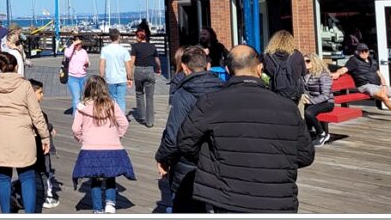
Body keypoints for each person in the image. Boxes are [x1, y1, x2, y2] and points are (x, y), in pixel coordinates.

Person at [177, 45, 315, 213]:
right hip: (277, 198)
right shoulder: (287, 107)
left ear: (227, 70)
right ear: (260, 68)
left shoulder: (211, 102)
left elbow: (185, 142)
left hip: (227, 197)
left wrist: (214, 160)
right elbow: (305, 154)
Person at [155, 46, 224, 213]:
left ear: (185, 67)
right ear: (207, 65)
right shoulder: (224, 89)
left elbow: (173, 135)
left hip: (187, 162)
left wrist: (162, 158)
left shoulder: (183, 94)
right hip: (218, 160)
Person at [0, 53, 50, 214]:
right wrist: (45, 136)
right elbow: (36, 113)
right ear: (17, 67)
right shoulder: (25, 85)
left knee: (3, 178)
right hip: (22, 135)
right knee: (27, 177)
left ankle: (6, 213)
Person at [71, 75, 134, 214]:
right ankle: (110, 203)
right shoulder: (112, 104)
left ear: (87, 88)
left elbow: (75, 128)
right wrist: (118, 136)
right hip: (112, 147)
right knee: (111, 174)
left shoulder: (82, 106)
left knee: (95, 178)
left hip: (90, 148)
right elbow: (124, 123)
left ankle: (97, 209)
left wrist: (82, 139)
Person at [333, 43, 391, 123]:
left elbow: (379, 74)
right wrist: (337, 73)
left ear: (368, 52)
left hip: (379, 85)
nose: (364, 53)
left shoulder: (372, 61)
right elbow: (343, 69)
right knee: (383, 96)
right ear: (357, 52)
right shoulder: (353, 61)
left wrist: (384, 85)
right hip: (366, 85)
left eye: (366, 51)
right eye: (361, 51)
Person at [28, 79, 59, 209]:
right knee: (45, 172)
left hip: (29, 147)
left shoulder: (25, 110)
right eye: (40, 92)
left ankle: (31, 195)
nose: (43, 95)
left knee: (31, 173)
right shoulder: (39, 113)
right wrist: (50, 128)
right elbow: (42, 126)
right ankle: (48, 196)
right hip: (41, 148)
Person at [262, 30, 307, 104]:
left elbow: (264, 75)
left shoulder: (268, 56)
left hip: (275, 93)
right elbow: (303, 73)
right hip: (294, 95)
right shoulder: (297, 55)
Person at [131, 25, 160, 127]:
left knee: (139, 93)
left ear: (138, 37)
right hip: (149, 70)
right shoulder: (152, 46)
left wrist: (129, 75)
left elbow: (132, 62)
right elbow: (157, 60)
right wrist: (159, 68)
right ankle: (150, 121)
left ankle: (142, 116)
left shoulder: (135, 46)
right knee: (149, 97)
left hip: (138, 70)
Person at [303, 53, 334, 146]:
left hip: (326, 103)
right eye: (303, 61)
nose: (305, 63)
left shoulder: (323, 75)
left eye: (308, 61)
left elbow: (325, 95)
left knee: (308, 112)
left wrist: (310, 101)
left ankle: (322, 134)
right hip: (312, 101)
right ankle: (308, 133)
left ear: (315, 62)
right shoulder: (304, 75)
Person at [98, 28, 132, 113]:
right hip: (122, 78)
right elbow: (128, 66)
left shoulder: (105, 49)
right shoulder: (124, 50)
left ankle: (113, 118)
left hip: (110, 78)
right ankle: (122, 119)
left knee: (112, 99)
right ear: (119, 37)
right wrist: (130, 77)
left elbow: (102, 64)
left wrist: (101, 76)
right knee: (121, 100)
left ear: (110, 37)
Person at [64, 35, 90, 113]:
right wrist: (73, 44)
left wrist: (87, 64)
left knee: (85, 97)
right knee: (76, 97)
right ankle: (76, 116)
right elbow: (67, 55)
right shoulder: (70, 50)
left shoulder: (84, 51)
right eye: (77, 44)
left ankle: (83, 113)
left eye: (80, 43)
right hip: (72, 77)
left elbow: (88, 62)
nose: (79, 45)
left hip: (83, 77)